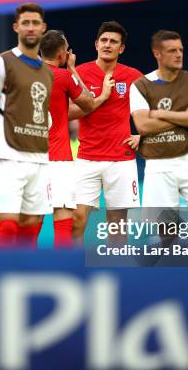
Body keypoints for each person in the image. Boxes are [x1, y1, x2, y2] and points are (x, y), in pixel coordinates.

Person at [130, 30, 188, 246]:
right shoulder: (141, 85)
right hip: (159, 167)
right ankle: (174, 276)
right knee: (167, 234)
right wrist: (184, 115)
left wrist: (162, 114)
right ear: (157, 54)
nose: (179, 55)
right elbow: (143, 125)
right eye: (172, 51)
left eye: (180, 50)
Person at [0, 2, 52, 247]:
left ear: (43, 28)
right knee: (8, 224)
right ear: (16, 27)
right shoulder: (1, 63)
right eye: (25, 23)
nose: (30, 28)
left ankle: (24, 274)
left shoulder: (48, 72)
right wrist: (2, 142)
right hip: (9, 157)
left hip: (40, 158)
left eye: (35, 23)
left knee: (31, 226)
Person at [39, 29, 114, 247]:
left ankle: (22, 267)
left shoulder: (27, 76)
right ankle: (62, 267)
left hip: (31, 158)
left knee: (31, 219)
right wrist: (72, 68)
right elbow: (88, 103)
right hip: (58, 158)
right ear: (62, 54)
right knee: (63, 216)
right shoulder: (63, 76)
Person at [72, 21, 142, 243]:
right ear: (96, 44)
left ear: (121, 48)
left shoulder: (133, 76)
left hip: (121, 160)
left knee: (117, 222)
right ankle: (76, 269)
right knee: (77, 219)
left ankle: (117, 270)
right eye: (104, 40)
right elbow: (65, 113)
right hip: (87, 158)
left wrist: (143, 135)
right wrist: (98, 98)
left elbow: (157, 106)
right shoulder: (81, 73)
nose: (107, 45)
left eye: (113, 41)